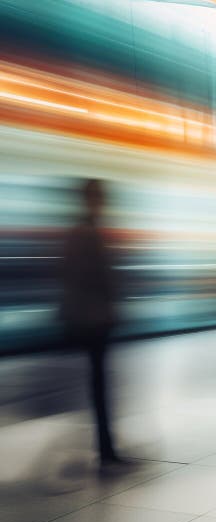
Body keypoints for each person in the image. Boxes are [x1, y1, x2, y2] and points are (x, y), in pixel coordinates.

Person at [60, 179, 121, 467]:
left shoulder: (80, 230)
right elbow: (93, 277)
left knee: (98, 382)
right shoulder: (88, 233)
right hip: (93, 317)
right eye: (101, 197)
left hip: (88, 315)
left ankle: (106, 446)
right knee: (99, 383)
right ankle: (106, 449)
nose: (104, 203)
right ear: (93, 200)